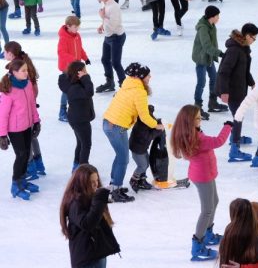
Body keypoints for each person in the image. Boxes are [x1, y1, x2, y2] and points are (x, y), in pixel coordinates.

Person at [171, 105, 231, 262]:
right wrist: (228, 126)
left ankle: (208, 235)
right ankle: (197, 246)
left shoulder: (192, 133)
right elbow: (218, 141)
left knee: (214, 202)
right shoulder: (197, 138)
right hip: (203, 176)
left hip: (205, 173)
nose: (200, 120)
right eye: (197, 118)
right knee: (207, 210)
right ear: (189, 121)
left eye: (200, 117)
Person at [102, 62, 163, 203]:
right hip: (117, 126)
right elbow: (145, 116)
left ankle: (113, 186)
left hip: (109, 123)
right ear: (140, 77)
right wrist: (157, 125)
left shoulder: (128, 84)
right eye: (148, 75)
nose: (150, 77)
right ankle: (116, 191)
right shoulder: (139, 91)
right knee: (123, 159)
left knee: (120, 156)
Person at [59, 164, 121, 267]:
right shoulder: (75, 202)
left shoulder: (92, 197)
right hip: (87, 259)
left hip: (97, 254)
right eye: (91, 182)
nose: (95, 184)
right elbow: (87, 224)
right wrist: (99, 201)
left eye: (96, 180)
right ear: (81, 183)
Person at [217, 23, 258, 163]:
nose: (254, 40)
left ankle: (235, 136)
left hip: (239, 88)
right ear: (247, 36)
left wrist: (252, 83)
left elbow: (245, 70)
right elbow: (224, 71)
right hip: (231, 90)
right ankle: (234, 150)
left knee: (239, 115)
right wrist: (224, 92)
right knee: (238, 116)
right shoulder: (235, 50)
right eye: (254, 38)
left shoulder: (244, 49)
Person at [0, 59, 41, 200]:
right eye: (23, 70)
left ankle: (23, 180)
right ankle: (15, 184)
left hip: (27, 125)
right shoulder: (8, 89)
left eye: (26, 70)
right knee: (21, 155)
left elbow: (32, 104)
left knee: (26, 153)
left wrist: (36, 121)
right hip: (14, 129)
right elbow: (3, 114)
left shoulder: (28, 84)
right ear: (14, 72)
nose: (26, 72)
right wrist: (2, 135)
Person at [192, 6, 226, 119]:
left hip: (209, 57)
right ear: (212, 16)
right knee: (201, 82)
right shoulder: (203, 28)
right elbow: (206, 46)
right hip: (202, 58)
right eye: (217, 16)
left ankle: (212, 102)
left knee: (214, 79)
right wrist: (220, 54)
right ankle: (197, 108)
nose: (218, 18)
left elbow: (213, 43)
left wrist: (215, 53)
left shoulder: (212, 25)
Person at [59, 61, 95, 169]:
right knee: (86, 144)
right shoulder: (75, 88)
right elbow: (89, 92)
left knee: (80, 142)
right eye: (84, 71)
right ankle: (83, 169)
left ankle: (77, 165)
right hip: (80, 120)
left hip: (77, 118)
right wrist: (86, 78)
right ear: (79, 72)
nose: (86, 73)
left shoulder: (74, 83)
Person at [57, 15, 90, 122]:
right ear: (68, 26)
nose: (77, 29)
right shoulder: (63, 38)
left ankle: (77, 107)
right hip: (67, 68)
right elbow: (61, 53)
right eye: (75, 27)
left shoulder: (77, 36)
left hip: (77, 65)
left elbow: (80, 48)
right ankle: (62, 111)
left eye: (78, 27)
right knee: (68, 89)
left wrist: (85, 57)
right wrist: (74, 59)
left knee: (80, 86)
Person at [96, 0, 125, 94]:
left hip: (116, 37)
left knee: (116, 63)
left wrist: (103, 17)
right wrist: (102, 24)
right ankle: (110, 83)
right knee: (105, 60)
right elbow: (108, 21)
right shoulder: (106, 4)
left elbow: (113, 25)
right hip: (108, 37)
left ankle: (124, 87)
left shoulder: (114, 7)